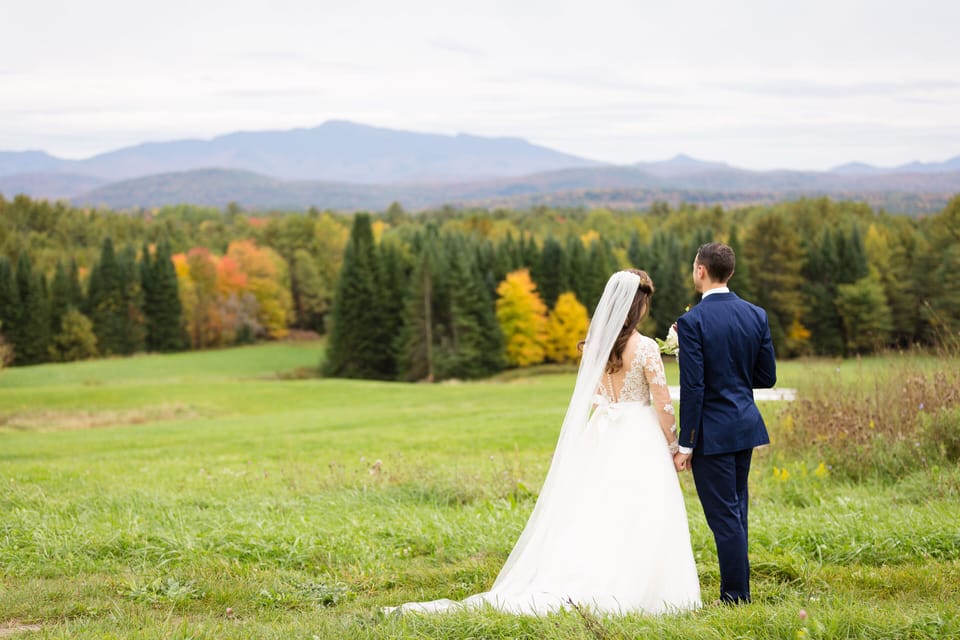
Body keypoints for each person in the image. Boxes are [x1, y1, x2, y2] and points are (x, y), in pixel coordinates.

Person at [386, 269, 701, 616]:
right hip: (639, 435)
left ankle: (589, 575)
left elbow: (596, 395)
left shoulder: (596, 346)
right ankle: (642, 589)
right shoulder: (644, 348)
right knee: (641, 510)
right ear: (640, 306)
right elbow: (663, 404)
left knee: (594, 510)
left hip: (602, 434)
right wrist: (674, 445)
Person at [673, 242, 777, 605]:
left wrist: (686, 444)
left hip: (712, 434)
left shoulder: (692, 322)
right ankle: (739, 591)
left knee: (725, 517)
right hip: (744, 426)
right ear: (729, 272)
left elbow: (694, 387)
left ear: (701, 270)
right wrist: (735, 377)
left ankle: (735, 597)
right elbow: (766, 377)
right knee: (736, 509)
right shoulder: (756, 314)